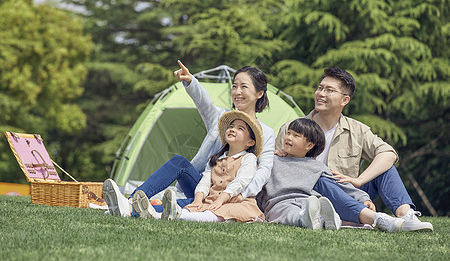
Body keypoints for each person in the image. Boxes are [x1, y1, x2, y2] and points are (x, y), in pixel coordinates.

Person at [103, 60, 275, 218]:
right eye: (235, 86)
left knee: (179, 207)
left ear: (259, 93)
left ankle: (131, 210)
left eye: (243, 87)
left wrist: (241, 194)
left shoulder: (266, 133)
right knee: (179, 162)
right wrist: (190, 82)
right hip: (204, 187)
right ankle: (130, 202)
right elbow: (204, 103)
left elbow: (263, 171)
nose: (237, 92)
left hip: (234, 194)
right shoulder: (222, 119)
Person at [275, 68, 433, 232]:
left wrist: (360, 180)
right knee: (320, 180)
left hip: (348, 193)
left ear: (345, 100)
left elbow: (389, 154)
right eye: (320, 88)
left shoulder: (357, 130)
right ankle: (373, 218)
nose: (321, 93)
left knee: (385, 169)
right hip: (308, 197)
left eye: (329, 90)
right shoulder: (291, 128)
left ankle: (407, 216)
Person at [261, 118, 407, 232]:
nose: (289, 138)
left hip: (308, 200)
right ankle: (312, 219)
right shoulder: (272, 159)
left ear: (309, 146)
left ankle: (395, 216)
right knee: (290, 213)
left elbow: (340, 184)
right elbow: (259, 180)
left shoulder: (316, 166)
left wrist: (363, 198)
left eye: (296, 135)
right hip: (279, 203)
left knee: (317, 200)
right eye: (288, 133)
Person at [134, 110, 265, 222]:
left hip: (233, 201)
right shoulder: (215, 158)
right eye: (231, 126)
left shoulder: (249, 158)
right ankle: (133, 205)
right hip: (209, 199)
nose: (232, 129)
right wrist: (197, 200)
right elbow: (205, 181)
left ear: (250, 142)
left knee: (215, 212)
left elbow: (240, 182)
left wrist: (219, 201)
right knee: (193, 205)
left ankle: (165, 214)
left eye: (240, 128)